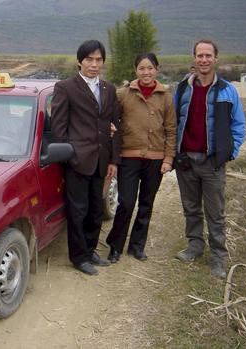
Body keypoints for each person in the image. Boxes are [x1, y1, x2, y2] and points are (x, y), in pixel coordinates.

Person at [173, 39, 246, 279]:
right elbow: (173, 121)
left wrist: (229, 153)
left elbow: (239, 125)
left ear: (215, 58)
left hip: (212, 162)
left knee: (216, 213)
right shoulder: (183, 88)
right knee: (191, 209)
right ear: (193, 58)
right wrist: (176, 152)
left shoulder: (227, 90)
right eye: (199, 55)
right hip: (187, 161)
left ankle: (218, 258)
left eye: (208, 55)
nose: (203, 60)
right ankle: (195, 246)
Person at [50, 39, 121, 276]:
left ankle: (90, 250)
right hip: (78, 161)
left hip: (101, 160)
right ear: (79, 61)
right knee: (78, 210)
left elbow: (114, 125)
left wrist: (113, 160)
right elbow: (59, 128)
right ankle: (78, 257)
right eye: (89, 59)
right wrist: (70, 154)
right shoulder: (66, 87)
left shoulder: (109, 89)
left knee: (96, 209)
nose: (94, 64)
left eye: (98, 59)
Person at [105, 53, 176, 263]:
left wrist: (168, 158)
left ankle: (137, 246)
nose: (146, 72)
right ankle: (115, 246)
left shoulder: (166, 97)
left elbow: (171, 130)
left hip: (155, 160)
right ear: (135, 70)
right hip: (129, 157)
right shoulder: (123, 94)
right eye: (142, 68)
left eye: (150, 68)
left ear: (157, 70)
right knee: (126, 203)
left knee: (146, 203)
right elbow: (112, 121)